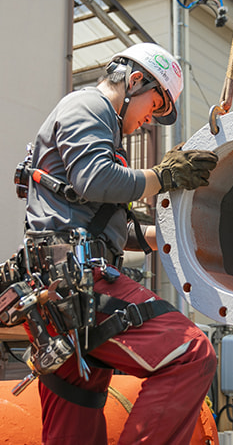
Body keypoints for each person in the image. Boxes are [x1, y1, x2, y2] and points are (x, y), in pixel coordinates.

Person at [18, 42, 219, 444]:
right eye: (154, 106)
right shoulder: (87, 106)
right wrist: (162, 176)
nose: (149, 120)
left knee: (75, 412)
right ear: (135, 80)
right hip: (74, 281)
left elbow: (95, 219)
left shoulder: (101, 127)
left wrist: (159, 238)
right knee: (189, 353)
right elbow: (95, 180)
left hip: (57, 289)